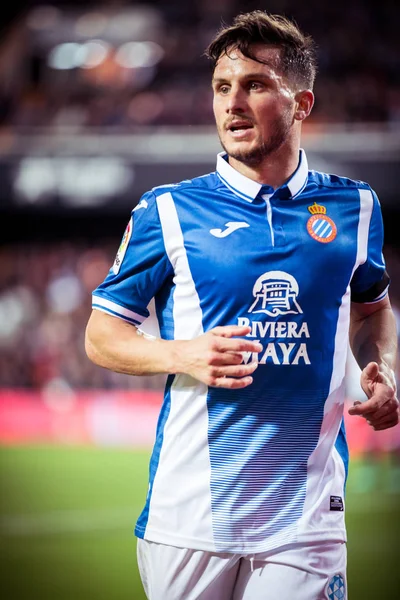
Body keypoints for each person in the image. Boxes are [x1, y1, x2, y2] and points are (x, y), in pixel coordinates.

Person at [85, 11, 399, 600]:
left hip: (306, 519)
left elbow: (373, 308)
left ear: (301, 103)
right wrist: (183, 354)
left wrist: (383, 369)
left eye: (255, 85)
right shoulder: (169, 211)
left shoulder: (356, 208)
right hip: (190, 516)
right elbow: (101, 336)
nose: (232, 104)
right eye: (222, 88)